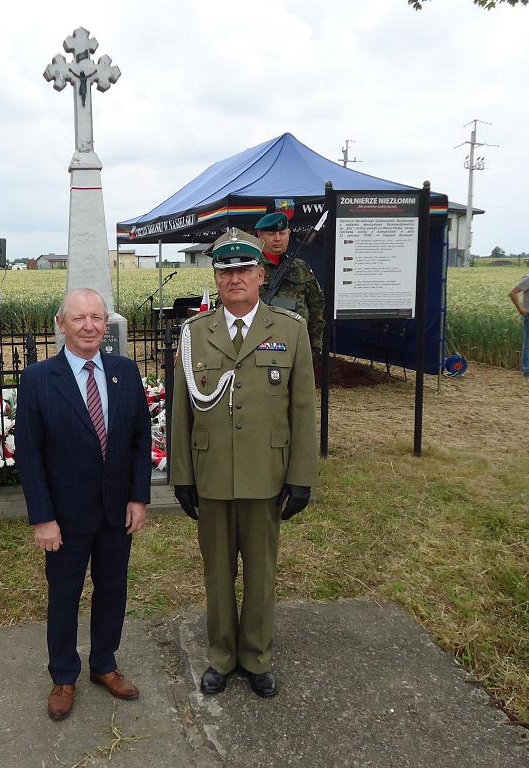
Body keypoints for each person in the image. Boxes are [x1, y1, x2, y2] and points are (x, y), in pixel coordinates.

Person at [171, 227, 318, 699]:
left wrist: (301, 476)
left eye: (244, 270)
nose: (235, 278)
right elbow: (180, 409)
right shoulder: (194, 334)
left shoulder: (290, 330)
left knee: (261, 573)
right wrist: (182, 476)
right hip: (212, 473)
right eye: (225, 270)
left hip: (265, 474)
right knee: (217, 573)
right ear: (216, 278)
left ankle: (256, 657)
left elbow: (303, 409)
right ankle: (221, 656)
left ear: (260, 275)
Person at [16, 287, 151, 721]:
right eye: (79, 318)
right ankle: (63, 675)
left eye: (97, 317)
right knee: (64, 596)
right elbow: (30, 455)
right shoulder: (38, 379)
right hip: (65, 517)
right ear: (61, 324)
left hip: (116, 512)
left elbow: (140, 440)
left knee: (112, 589)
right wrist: (43, 519)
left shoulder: (125, 372)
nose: (89, 326)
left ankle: (104, 664)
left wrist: (138, 497)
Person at [253, 212, 326, 370]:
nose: (277, 239)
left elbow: (316, 306)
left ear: (288, 234)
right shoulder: (249, 267)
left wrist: (314, 345)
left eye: (282, 233)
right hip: (259, 348)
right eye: (271, 234)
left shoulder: (301, 267)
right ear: (259, 235)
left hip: (297, 346)